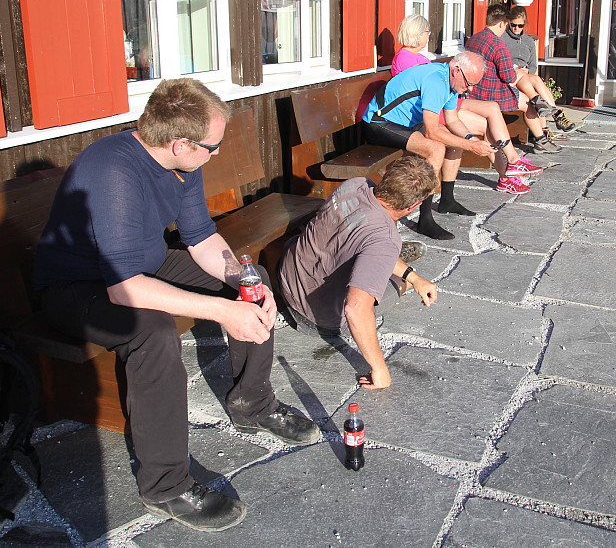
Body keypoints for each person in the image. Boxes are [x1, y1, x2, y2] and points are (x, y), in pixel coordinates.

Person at [34, 78, 319, 533]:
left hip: (138, 266)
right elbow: (124, 289)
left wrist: (241, 285)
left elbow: (201, 237)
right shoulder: (112, 171)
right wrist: (226, 313)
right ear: (180, 142)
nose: (217, 152)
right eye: (213, 145)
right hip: (76, 287)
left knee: (252, 281)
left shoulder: (184, 163)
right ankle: (165, 487)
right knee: (153, 331)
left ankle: (252, 402)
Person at [278, 156, 440, 389]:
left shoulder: (355, 184)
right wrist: (380, 369)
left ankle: (386, 262)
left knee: (373, 249)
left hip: (287, 279)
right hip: (315, 319)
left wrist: (415, 276)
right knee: (394, 283)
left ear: (386, 177)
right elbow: (355, 309)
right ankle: (389, 265)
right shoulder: (384, 238)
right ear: (412, 207)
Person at [391, 15, 542, 196]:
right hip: (432, 108)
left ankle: (513, 160)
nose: (428, 36)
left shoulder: (416, 56)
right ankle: (506, 176)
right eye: (427, 32)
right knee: (487, 125)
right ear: (416, 34)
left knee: (492, 108)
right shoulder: (405, 59)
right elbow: (424, 95)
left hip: (443, 101)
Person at [360, 52, 497, 241]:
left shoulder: (451, 81)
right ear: (457, 71)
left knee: (453, 139)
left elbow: (452, 120)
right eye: (469, 83)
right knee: (437, 148)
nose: (470, 90)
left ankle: (447, 201)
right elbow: (432, 132)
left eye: (474, 85)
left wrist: (471, 140)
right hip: (378, 123)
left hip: (404, 123)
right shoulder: (436, 81)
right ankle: (425, 219)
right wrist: (471, 146)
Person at [465, 6, 568, 155]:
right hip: (492, 93)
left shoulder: (473, 39)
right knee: (528, 103)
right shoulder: (498, 45)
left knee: (524, 78)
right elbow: (509, 77)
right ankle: (540, 139)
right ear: (501, 23)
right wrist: (518, 72)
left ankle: (538, 102)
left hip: (474, 90)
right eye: (507, 25)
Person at [501, 6, 576, 133]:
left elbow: (533, 65)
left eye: (520, 25)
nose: (516, 28)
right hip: (510, 76)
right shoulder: (503, 38)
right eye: (514, 25)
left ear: (525, 24)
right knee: (535, 82)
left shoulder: (528, 41)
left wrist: (527, 71)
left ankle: (547, 127)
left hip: (525, 77)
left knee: (535, 81)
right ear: (509, 22)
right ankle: (556, 117)